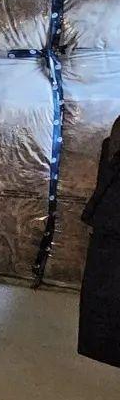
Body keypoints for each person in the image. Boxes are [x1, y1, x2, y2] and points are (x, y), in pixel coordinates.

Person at [80, 116, 120, 368]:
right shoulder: (112, 144)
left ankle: (102, 345)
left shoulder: (111, 143)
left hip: (108, 222)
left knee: (105, 289)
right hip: (111, 225)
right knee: (107, 290)